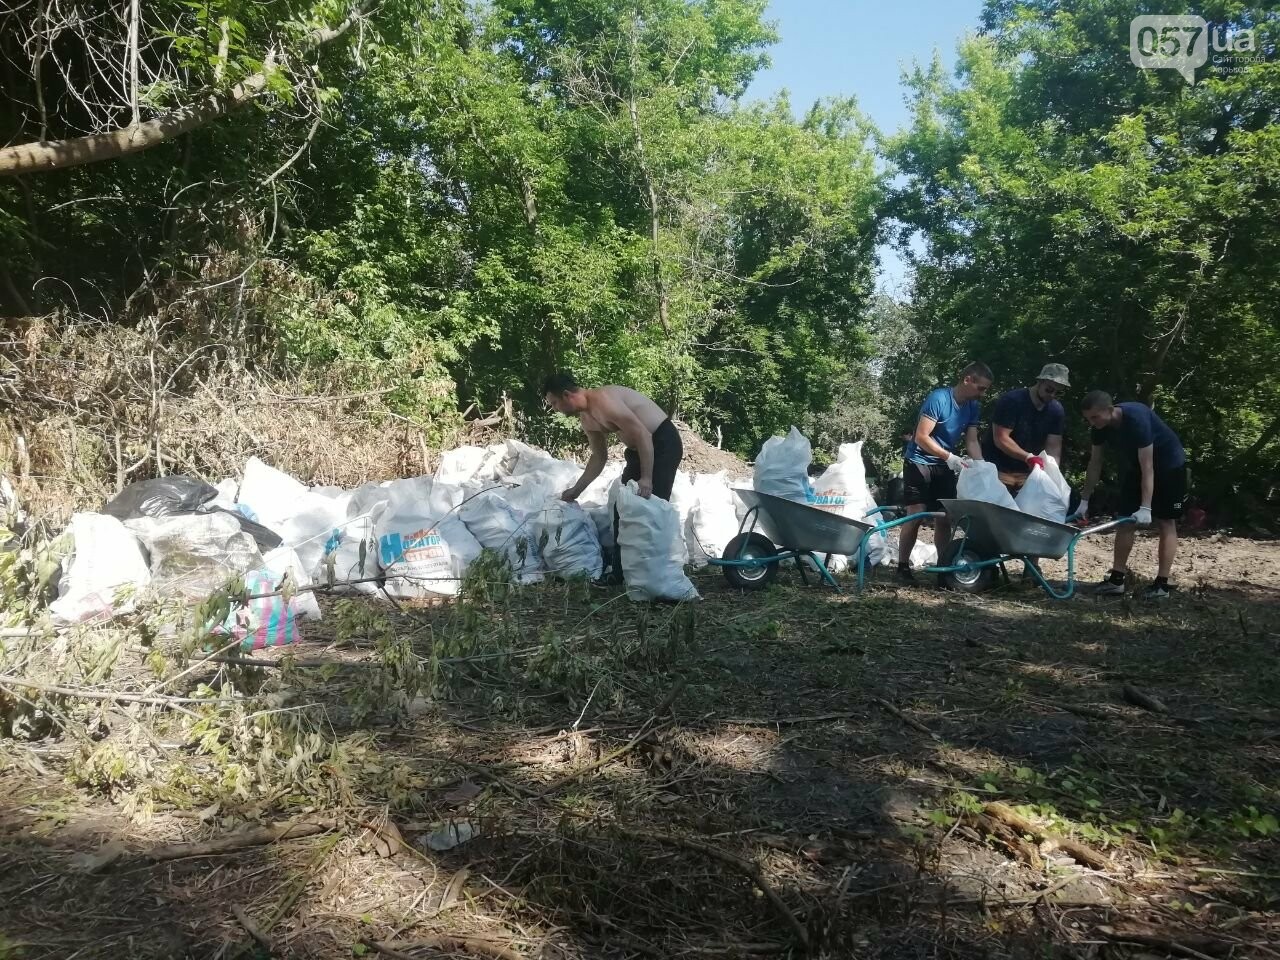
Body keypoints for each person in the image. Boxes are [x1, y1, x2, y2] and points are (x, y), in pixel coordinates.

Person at [542, 372, 683, 579]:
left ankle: (657, 575)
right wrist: (576, 490)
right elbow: (598, 458)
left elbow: (643, 434)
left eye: (554, 403)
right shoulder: (587, 418)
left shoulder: (604, 400)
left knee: (653, 507)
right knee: (622, 506)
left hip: (662, 442)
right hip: (638, 451)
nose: (555, 409)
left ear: (566, 395)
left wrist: (647, 478)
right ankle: (620, 573)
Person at [1069, 391, 1187, 600]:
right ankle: (1116, 580)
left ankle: (1161, 585)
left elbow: (1148, 466)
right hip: (1138, 468)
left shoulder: (1137, 419)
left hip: (1169, 465)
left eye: (1095, 417)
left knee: (1166, 522)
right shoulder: (1099, 428)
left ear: (1110, 410)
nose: (1091, 422)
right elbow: (1095, 464)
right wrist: (1084, 500)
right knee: (1124, 521)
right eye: (1087, 418)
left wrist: (1147, 507)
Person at [897, 362, 993, 581]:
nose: (983, 394)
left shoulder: (972, 407)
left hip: (944, 465)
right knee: (917, 514)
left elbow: (971, 440)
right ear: (968, 379)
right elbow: (921, 437)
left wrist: (982, 466)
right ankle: (902, 566)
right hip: (918, 461)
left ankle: (945, 568)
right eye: (981, 388)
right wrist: (949, 457)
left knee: (945, 516)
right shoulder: (939, 398)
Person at [981, 363, 1069, 496]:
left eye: (1058, 392)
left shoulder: (1056, 410)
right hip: (997, 470)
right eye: (1049, 390)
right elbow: (1000, 438)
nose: (1052, 395)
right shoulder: (1012, 401)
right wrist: (1028, 457)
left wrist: (1051, 471)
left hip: (1028, 475)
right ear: (1040, 381)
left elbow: (1053, 447)